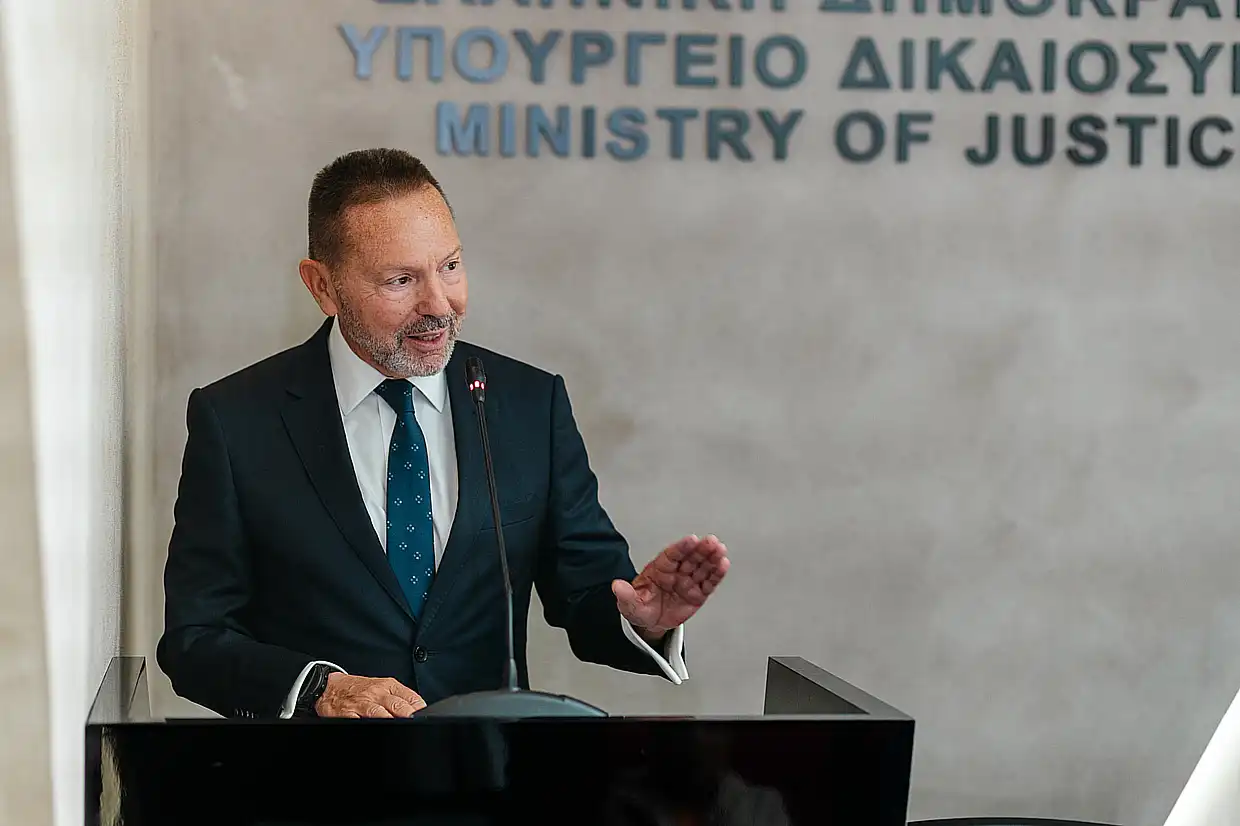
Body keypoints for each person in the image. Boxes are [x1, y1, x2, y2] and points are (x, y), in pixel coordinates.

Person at [157, 148, 730, 719]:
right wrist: (319, 690)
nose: (439, 304)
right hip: (315, 775)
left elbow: (584, 593)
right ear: (323, 286)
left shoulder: (530, 404)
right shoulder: (236, 421)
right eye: (401, 280)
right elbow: (195, 639)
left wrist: (644, 621)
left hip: (487, 769)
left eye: (450, 266)